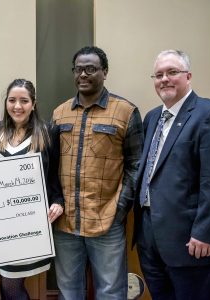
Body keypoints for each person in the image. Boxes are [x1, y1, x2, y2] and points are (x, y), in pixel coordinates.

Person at [133, 50, 210, 300]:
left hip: (194, 243)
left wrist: (206, 232)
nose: (164, 79)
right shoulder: (152, 118)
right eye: (158, 74)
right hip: (151, 240)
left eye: (172, 72)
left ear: (188, 76)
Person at [51, 46, 144, 299]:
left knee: (111, 292)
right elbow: (51, 165)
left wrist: (120, 207)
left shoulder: (126, 111)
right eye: (78, 69)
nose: (84, 74)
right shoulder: (59, 114)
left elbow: (137, 165)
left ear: (104, 72)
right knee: (69, 292)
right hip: (65, 222)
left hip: (107, 220)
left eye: (91, 69)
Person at [0, 79, 64, 299]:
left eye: (24, 101)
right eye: (12, 100)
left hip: (30, 220)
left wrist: (58, 201)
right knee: (6, 281)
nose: (17, 106)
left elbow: (55, 173)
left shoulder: (48, 132)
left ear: (34, 104)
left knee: (11, 284)